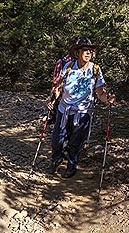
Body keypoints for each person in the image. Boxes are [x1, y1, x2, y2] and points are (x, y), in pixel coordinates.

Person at [47, 37, 115, 178]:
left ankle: (72, 165)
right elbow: (59, 86)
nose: (88, 53)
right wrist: (54, 97)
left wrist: (107, 99)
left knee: (75, 142)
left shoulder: (95, 70)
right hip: (64, 109)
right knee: (56, 139)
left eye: (90, 50)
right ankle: (56, 160)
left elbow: (100, 92)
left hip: (82, 112)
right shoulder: (69, 66)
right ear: (77, 52)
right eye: (85, 50)